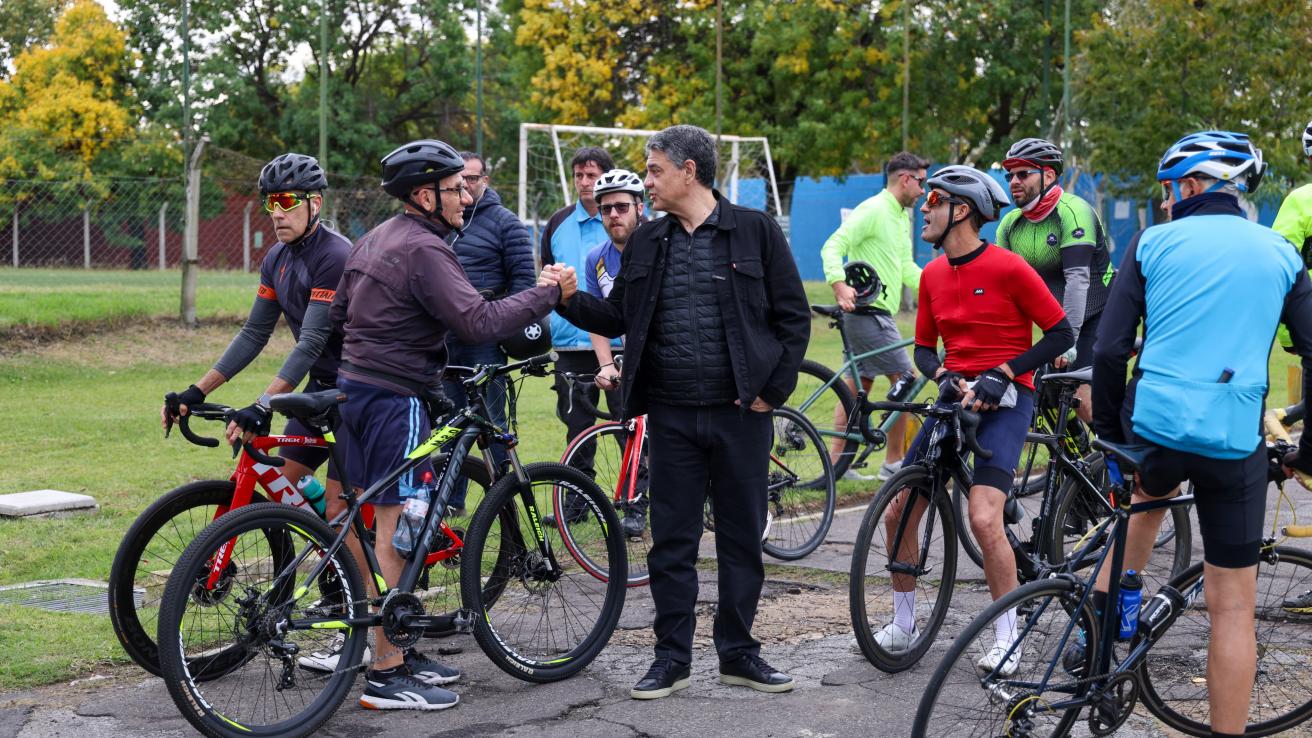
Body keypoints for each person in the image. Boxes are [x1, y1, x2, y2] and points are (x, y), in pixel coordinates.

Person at [539, 124, 810, 700]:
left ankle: (739, 653)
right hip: (671, 416)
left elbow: (793, 319)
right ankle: (671, 659)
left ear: (690, 171)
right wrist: (568, 298)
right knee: (671, 544)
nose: (647, 180)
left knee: (740, 540)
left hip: (742, 414)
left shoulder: (755, 231)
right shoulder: (649, 240)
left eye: (655, 169)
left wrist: (773, 393)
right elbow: (617, 317)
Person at [1092, 130, 1312, 738]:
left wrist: (1114, 441)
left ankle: (1097, 652)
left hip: (1156, 428)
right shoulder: (1281, 255)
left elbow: (1110, 353)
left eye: (1169, 188)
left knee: (1142, 511)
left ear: (1193, 185)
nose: (1164, 202)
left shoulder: (1152, 243)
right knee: (1234, 608)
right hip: (1233, 439)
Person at [329, 138, 561, 711]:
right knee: (399, 530)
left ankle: (392, 645)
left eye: (465, 185)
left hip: (354, 391)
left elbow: (339, 317)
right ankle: (384, 671)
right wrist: (548, 294)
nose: (465, 196)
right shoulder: (425, 248)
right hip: (395, 400)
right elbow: (478, 320)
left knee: (362, 524)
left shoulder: (374, 239)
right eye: (455, 187)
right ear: (423, 193)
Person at [873, 166, 1073, 675]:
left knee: (983, 517)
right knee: (898, 511)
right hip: (954, 395)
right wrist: (941, 373)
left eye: (934, 200)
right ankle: (904, 622)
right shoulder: (933, 275)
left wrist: (1003, 373)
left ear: (961, 210)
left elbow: (1059, 333)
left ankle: (1009, 636)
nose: (924, 207)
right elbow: (921, 349)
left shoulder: (1009, 268)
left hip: (1007, 397)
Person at [819, 151, 929, 481]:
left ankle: (839, 463)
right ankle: (893, 463)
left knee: (857, 386)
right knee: (907, 381)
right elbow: (833, 245)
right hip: (868, 313)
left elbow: (906, 268)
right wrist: (839, 285)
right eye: (921, 182)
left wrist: (942, 290)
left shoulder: (898, 216)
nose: (923, 191)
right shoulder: (874, 210)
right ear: (905, 179)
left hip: (876, 313)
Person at [439, 151, 536, 516]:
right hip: (444, 345)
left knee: (492, 427)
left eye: (473, 179)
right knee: (448, 427)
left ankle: (504, 503)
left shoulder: (506, 224)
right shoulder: (443, 221)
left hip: (484, 346)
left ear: (486, 181)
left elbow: (525, 286)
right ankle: (450, 506)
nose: (466, 187)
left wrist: (490, 318)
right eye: (458, 182)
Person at [997, 137, 1115, 423]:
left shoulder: (1074, 212)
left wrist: (1067, 341)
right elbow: (999, 285)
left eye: (1023, 173)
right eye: (1010, 174)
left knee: (1080, 395)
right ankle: (1074, 461)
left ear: (1048, 175)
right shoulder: (1011, 224)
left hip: (1099, 312)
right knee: (1044, 395)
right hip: (1058, 321)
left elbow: (1077, 281)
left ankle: (1117, 462)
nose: (1014, 181)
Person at [539, 146, 621, 485]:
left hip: (619, 344)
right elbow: (544, 276)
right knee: (577, 431)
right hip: (570, 345)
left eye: (592, 175)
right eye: (579, 176)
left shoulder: (622, 219)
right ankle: (576, 500)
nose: (585, 182)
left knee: (627, 424)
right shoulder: (558, 223)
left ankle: (636, 498)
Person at [584, 168, 647, 537]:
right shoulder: (598, 258)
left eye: (622, 207)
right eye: (606, 209)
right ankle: (636, 504)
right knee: (630, 430)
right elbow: (598, 318)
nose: (613, 216)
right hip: (626, 356)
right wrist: (605, 363)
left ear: (640, 207)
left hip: (666, 354)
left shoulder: (660, 243)